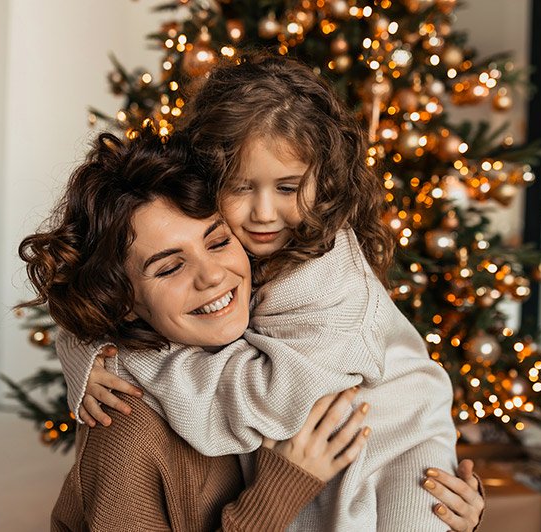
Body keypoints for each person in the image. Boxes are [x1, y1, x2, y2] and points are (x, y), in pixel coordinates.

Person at [60, 54, 483, 532]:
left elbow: (269, 398)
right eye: (241, 188)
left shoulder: (327, 280)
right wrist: (85, 347)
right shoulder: (127, 432)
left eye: (287, 187)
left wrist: (125, 357)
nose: (263, 215)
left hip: (404, 462)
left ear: (323, 184)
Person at [20, 129, 372, 531]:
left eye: (218, 242)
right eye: (170, 267)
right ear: (122, 301)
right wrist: (279, 490)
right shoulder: (125, 440)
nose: (213, 275)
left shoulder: (266, 325)